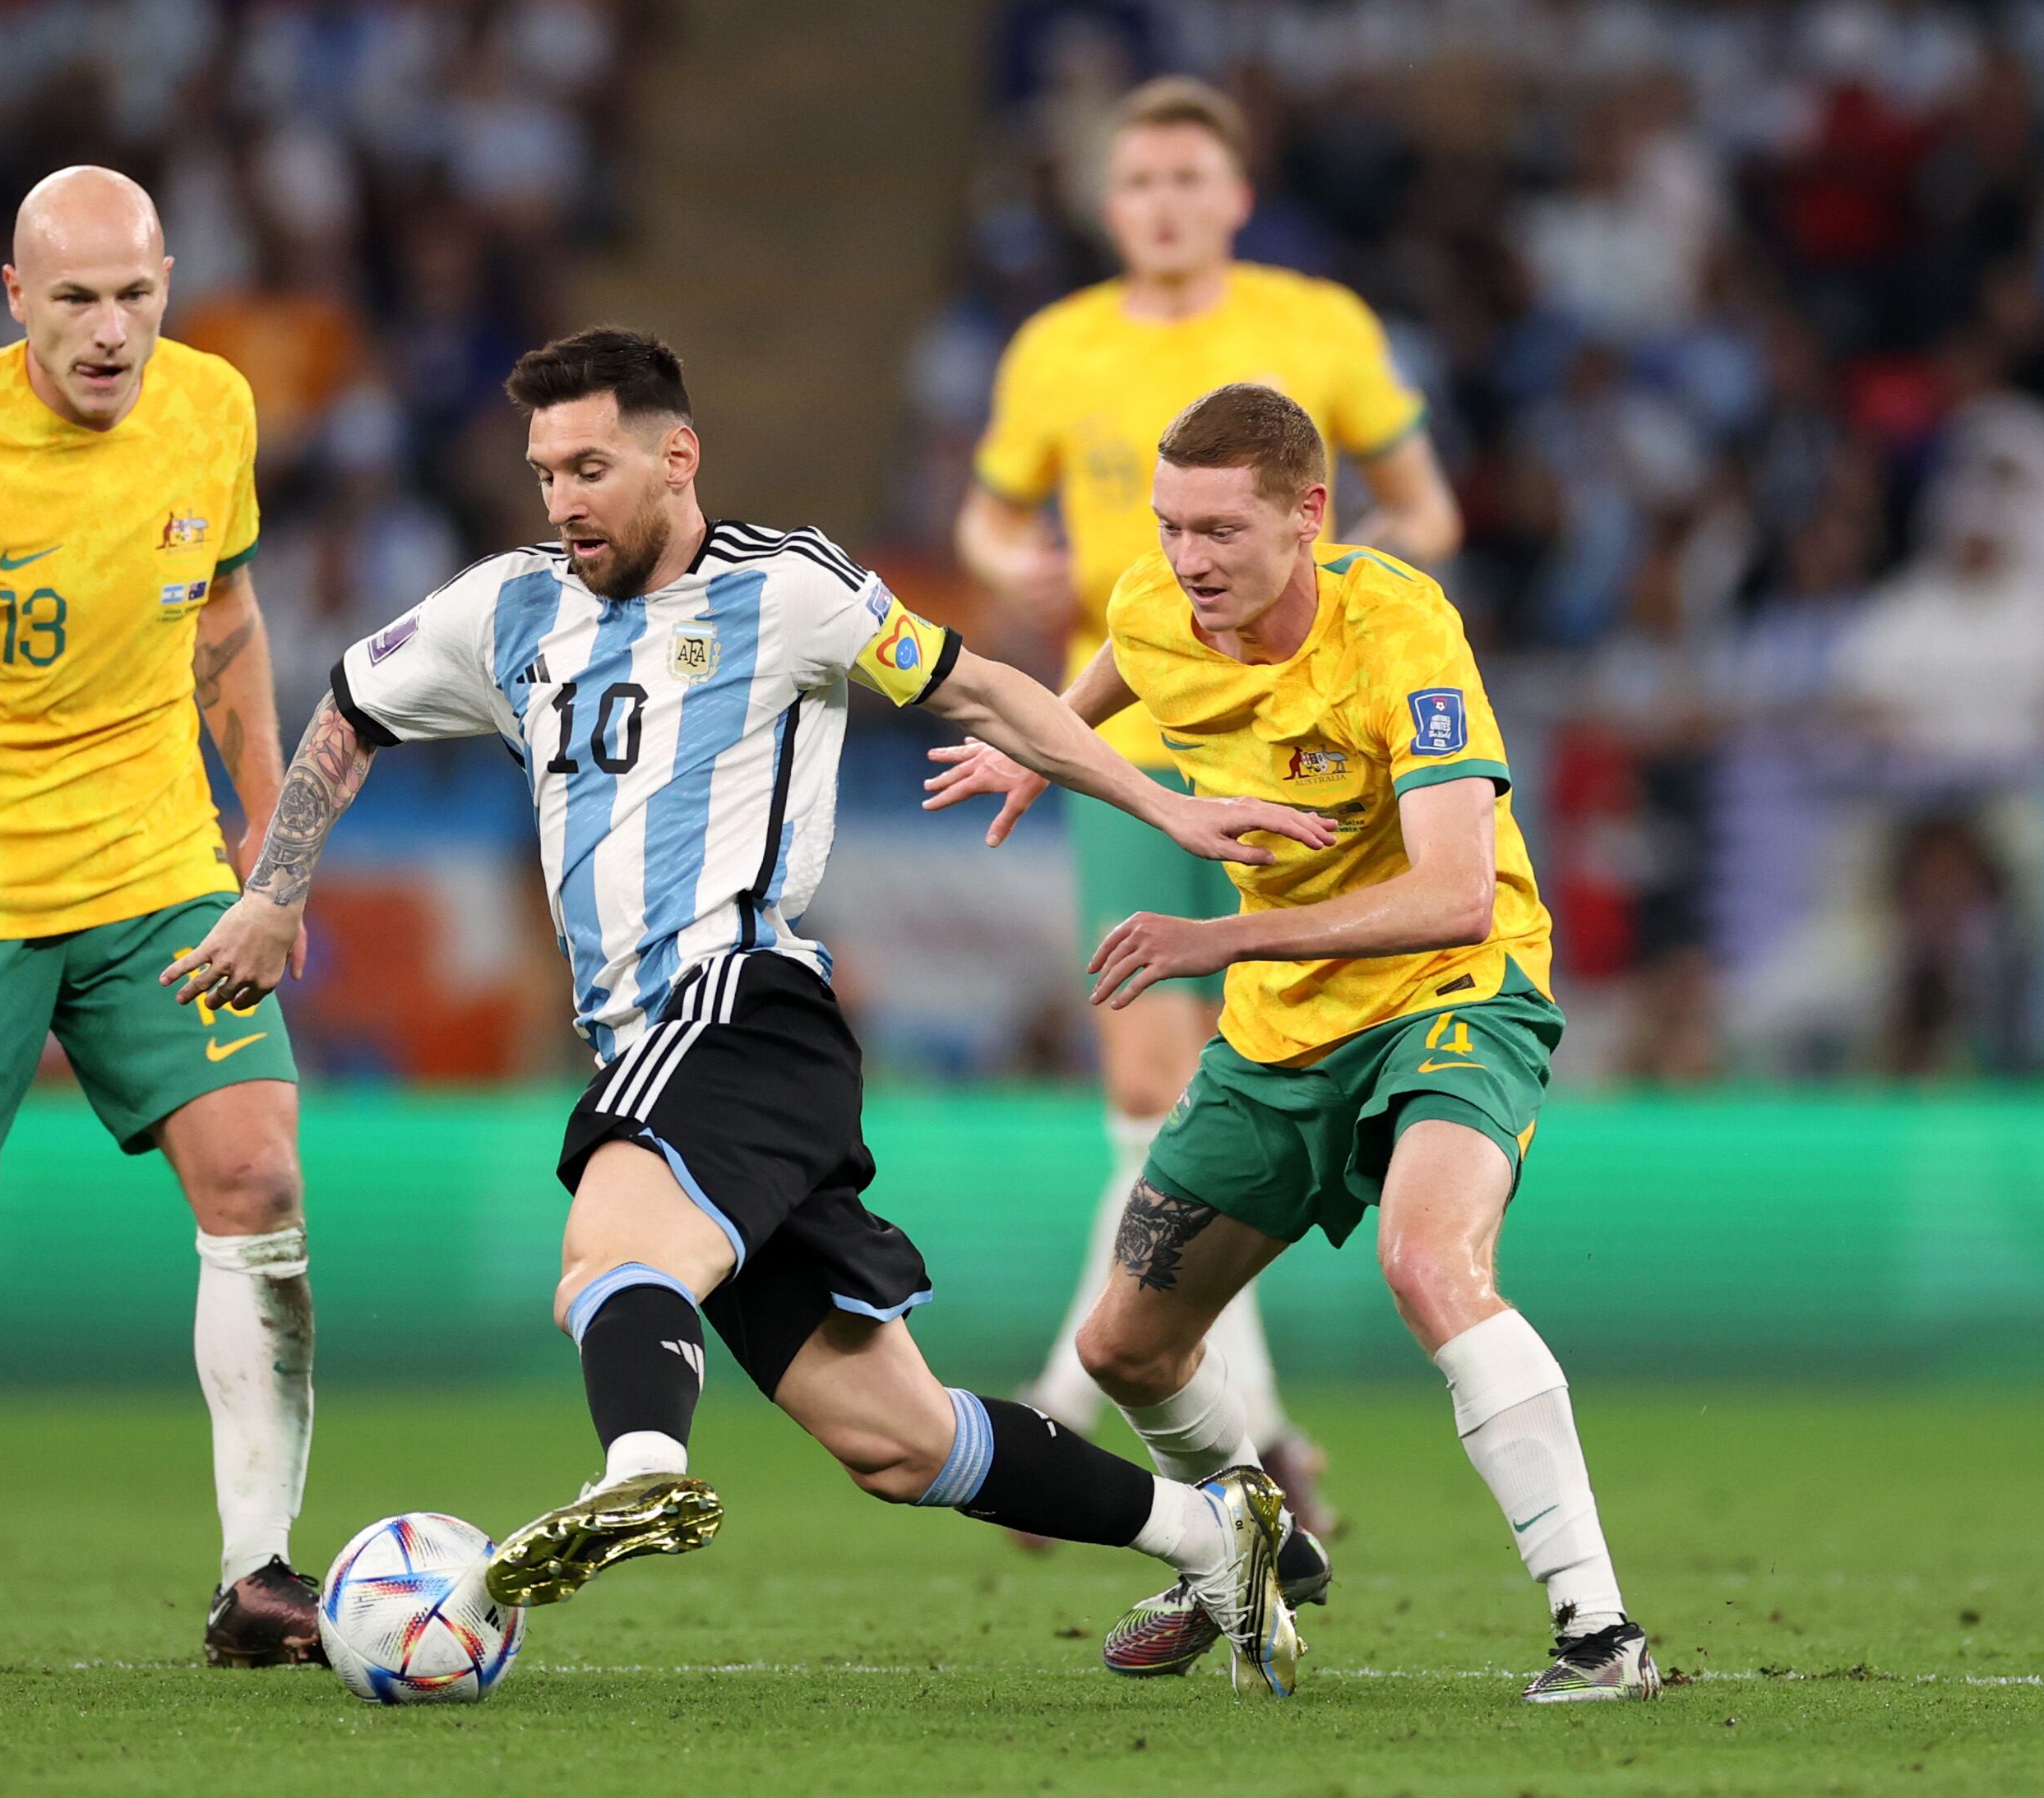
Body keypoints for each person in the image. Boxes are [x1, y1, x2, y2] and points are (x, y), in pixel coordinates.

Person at [165, 330, 1341, 1693]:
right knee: (898, 1440)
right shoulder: (506, 609)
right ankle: (1211, 1530)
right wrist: (276, 887)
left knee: (608, 1252)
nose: (562, 501)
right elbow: (350, 708)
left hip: (738, 1000)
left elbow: (982, 688)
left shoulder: (787, 589)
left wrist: (1164, 802)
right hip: (659, 1045)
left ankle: (641, 1472)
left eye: (591, 467)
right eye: (544, 472)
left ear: (678, 458)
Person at [928, 384, 1657, 1703]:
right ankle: (1252, 1537)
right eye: (1168, 526)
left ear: (1306, 516)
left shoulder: (1398, 630)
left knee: (1427, 1262)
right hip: (1279, 1040)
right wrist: (1048, 746)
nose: (1187, 562)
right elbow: (1122, 648)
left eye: (1218, 530)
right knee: (1121, 1351)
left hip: (1450, 993)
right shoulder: (1161, 605)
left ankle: (1598, 1634)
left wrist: (1218, 943)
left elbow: (1455, 892)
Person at [0, 167, 318, 1674]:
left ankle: (258, 1574)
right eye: (75, 300)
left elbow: (224, 618)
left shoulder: (213, 408)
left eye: (136, 295)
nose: (110, 332)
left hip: (157, 868)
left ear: (168, 284)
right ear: (16, 298)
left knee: (260, 1177)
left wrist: (271, 847)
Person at [955, 75, 1464, 1530]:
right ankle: (1244, 1431)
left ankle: (1090, 1399)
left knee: (1239, 1071)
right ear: (1107, 204)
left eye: (1188, 179)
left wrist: (1334, 588)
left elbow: (1424, 507)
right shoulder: (1054, 349)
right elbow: (994, 510)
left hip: (1303, 751)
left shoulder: (1317, 330)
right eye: (1137, 183)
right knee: (1142, 1082)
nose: (1162, 204)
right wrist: (1009, 568)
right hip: (1123, 738)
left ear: (1234, 196)